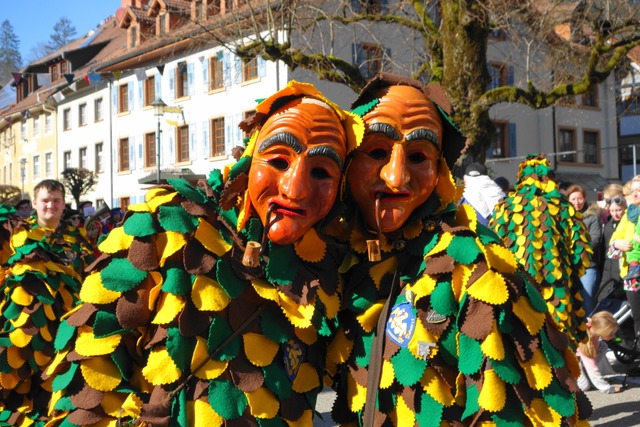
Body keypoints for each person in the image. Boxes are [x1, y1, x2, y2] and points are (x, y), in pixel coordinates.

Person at [45, 81, 363, 425]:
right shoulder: (168, 224)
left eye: (321, 172)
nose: (294, 188)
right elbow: (91, 365)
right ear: (249, 159)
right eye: (278, 160)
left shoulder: (329, 272)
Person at [327, 74, 590, 426]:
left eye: (418, 156)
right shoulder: (339, 256)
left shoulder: (476, 267)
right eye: (376, 151)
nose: (397, 177)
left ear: (440, 172)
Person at [0, 179, 94, 426]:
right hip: (28, 326)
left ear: (64, 204)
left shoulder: (77, 239)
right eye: (45, 200)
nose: (50, 205)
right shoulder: (19, 236)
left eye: (56, 200)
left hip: (68, 323)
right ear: (34, 203)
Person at [491, 155, 591, 346]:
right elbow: (580, 251)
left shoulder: (504, 208)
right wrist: (570, 275)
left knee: (522, 343)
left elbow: (494, 249)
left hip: (518, 288)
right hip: (558, 288)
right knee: (559, 344)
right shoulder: (563, 206)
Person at [609, 175, 640, 339]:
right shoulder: (629, 214)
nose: (635, 194)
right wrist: (617, 244)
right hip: (632, 276)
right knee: (638, 319)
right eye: (633, 190)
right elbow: (613, 242)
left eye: (639, 190)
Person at [566, 184, 604, 315]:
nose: (577, 202)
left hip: (588, 267)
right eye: (573, 199)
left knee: (587, 304)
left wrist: (578, 251)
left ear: (585, 198)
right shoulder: (565, 218)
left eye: (580, 198)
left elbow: (595, 239)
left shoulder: (592, 218)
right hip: (570, 268)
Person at [577, 311, 622, 394]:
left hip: (576, 355)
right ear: (602, 331)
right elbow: (592, 368)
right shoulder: (587, 343)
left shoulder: (594, 325)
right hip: (566, 361)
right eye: (611, 333)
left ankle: (586, 375)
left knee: (603, 346)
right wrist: (608, 388)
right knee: (584, 386)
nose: (614, 336)